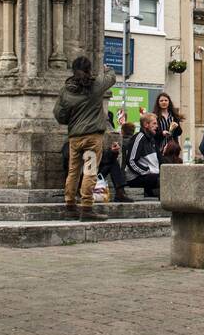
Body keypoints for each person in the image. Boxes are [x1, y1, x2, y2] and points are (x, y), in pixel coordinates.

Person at [53, 55, 116, 220]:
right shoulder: (95, 86)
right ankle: (87, 208)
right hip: (92, 139)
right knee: (89, 171)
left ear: (73, 70)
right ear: (89, 69)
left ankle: (70, 206)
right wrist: (107, 69)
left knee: (73, 172)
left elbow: (59, 115)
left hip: (74, 138)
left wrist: (72, 119)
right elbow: (110, 78)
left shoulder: (65, 91)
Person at [124, 113, 162, 197]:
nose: (157, 126)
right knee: (163, 180)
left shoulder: (152, 139)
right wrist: (146, 171)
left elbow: (159, 160)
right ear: (146, 125)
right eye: (154, 123)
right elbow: (130, 161)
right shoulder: (139, 137)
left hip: (151, 176)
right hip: (136, 178)